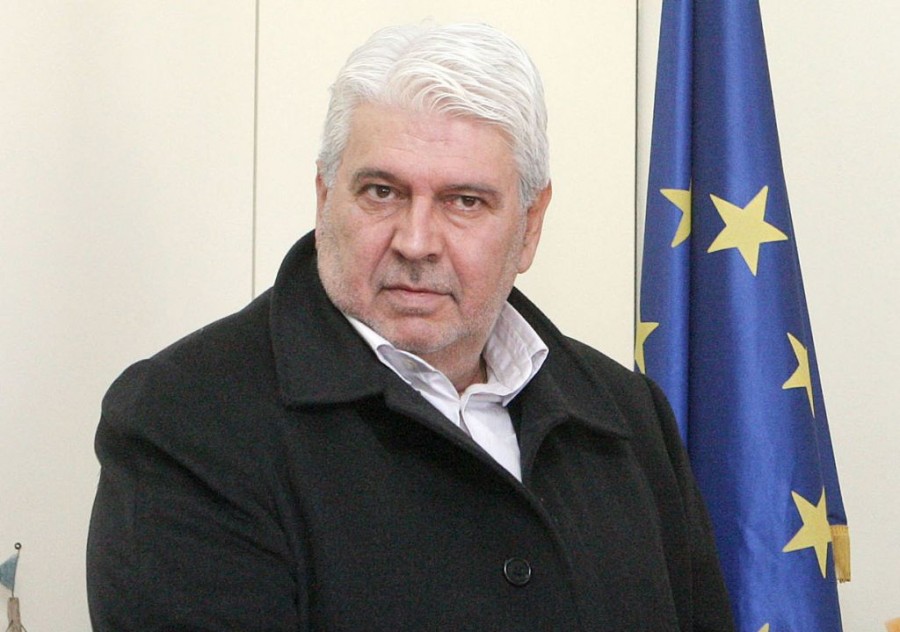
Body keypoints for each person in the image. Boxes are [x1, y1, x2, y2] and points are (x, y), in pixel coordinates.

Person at [86, 22, 735, 631]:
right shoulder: (186, 418)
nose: (416, 242)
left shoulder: (628, 415)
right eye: (382, 192)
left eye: (464, 201)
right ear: (324, 197)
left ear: (530, 226)